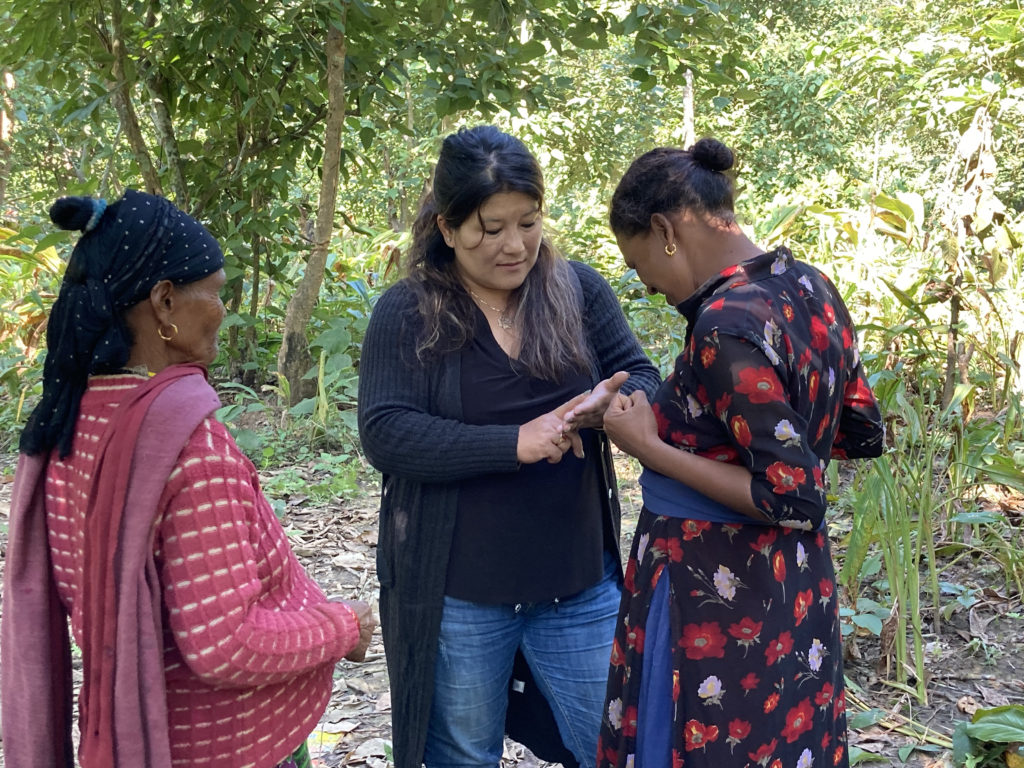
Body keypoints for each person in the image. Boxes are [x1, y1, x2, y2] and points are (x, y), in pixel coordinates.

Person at [1, 190, 375, 768]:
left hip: (149, 733)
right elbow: (226, 645)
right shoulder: (187, 445)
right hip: (230, 747)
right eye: (217, 293)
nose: (224, 310)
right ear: (165, 302)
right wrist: (342, 626)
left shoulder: (69, 419)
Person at [357, 125, 660, 768]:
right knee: (463, 755)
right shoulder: (409, 313)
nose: (514, 245)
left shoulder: (576, 289)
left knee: (613, 746)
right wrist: (512, 443)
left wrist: (610, 407)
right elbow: (385, 431)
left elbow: (641, 374)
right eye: (490, 229)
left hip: (578, 585)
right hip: (461, 594)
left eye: (527, 222)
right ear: (446, 226)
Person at [594, 139, 885, 768]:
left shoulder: (723, 325)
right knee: (781, 738)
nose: (649, 286)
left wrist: (648, 445)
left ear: (666, 230)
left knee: (704, 742)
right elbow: (859, 428)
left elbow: (795, 496)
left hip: (713, 588)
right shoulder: (810, 286)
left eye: (640, 266)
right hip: (794, 584)